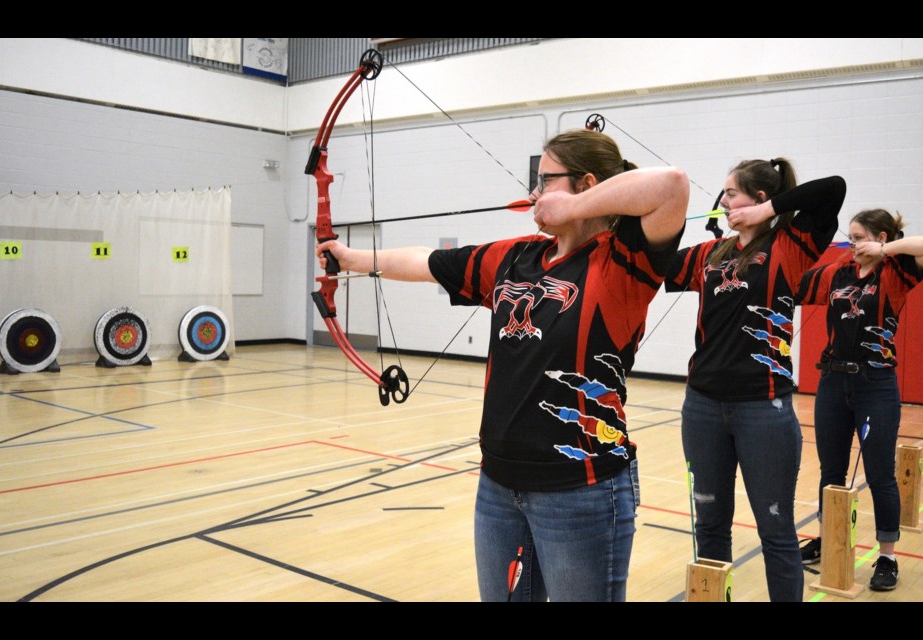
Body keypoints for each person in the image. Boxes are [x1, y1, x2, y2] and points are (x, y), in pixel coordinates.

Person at [316, 129, 688, 601]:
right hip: (499, 485)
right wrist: (350, 258)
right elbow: (427, 261)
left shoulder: (624, 261)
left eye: (544, 181)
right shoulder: (515, 258)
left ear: (587, 183)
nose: (534, 194)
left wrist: (573, 207)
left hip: (581, 487)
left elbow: (671, 185)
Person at [664, 159, 846, 601]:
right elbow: (656, 262)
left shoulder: (790, 244)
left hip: (763, 409)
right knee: (709, 525)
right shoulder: (711, 255)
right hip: (702, 407)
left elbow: (833, 188)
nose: (724, 202)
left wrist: (770, 214)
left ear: (760, 200)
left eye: (732, 193)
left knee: (776, 529)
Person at [795, 209, 923, 591]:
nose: (851, 244)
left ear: (879, 237)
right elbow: (791, 286)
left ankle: (887, 557)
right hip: (832, 382)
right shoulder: (837, 273)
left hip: (875, 384)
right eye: (851, 237)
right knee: (831, 472)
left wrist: (883, 250)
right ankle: (828, 540)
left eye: (858, 237)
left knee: (880, 475)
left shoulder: (896, 272)